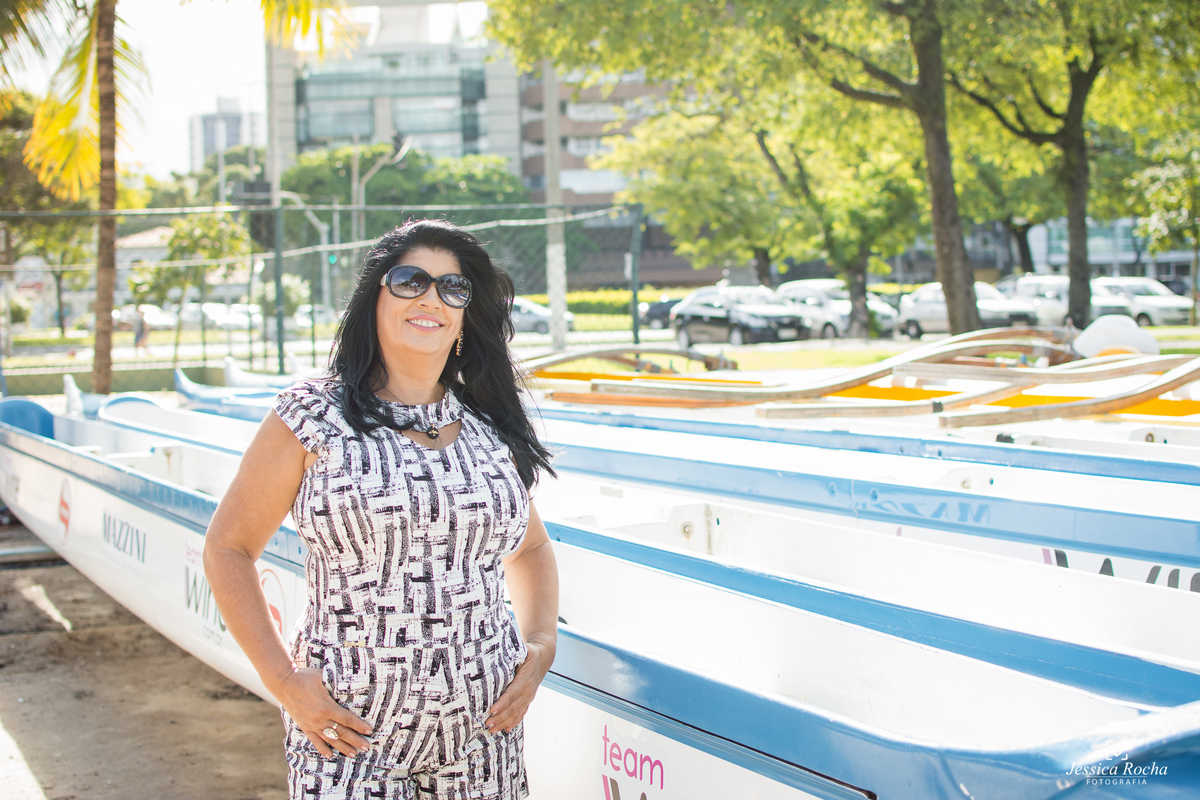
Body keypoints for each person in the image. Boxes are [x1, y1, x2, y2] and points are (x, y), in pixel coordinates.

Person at [204, 220, 559, 800]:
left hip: (483, 737)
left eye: (454, 288)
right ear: (375, 297)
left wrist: (541, 644)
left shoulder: (488, 428)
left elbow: (531, 546)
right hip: (348, 736)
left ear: (466, 316)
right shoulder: (312, 416)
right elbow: (228, 548)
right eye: (410, 280)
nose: (431, 298)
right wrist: (283, 681)